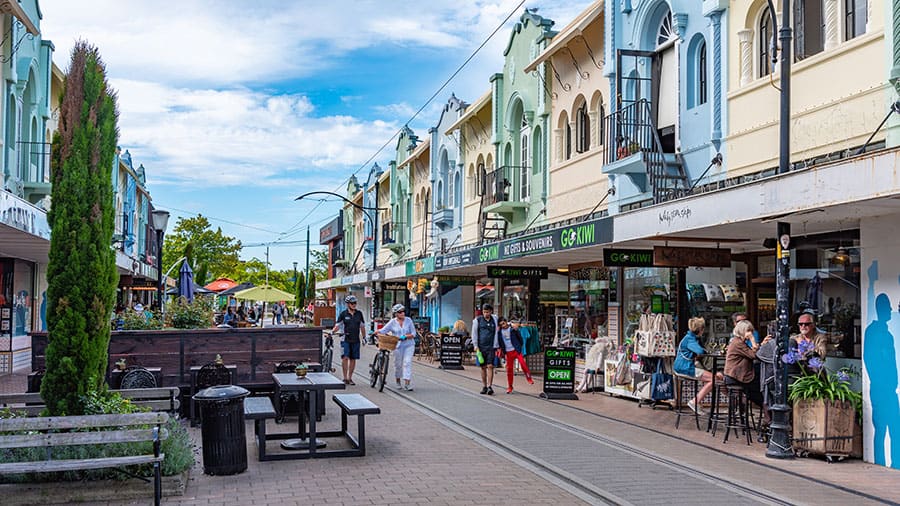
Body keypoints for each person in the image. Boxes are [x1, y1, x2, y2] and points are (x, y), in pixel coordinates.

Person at [674, 317, 723, 414]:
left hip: (683, 366)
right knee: (714, 379)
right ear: (700, 329)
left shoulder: (689, 337)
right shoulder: (690, 339)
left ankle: (734, 404)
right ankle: (695, 401)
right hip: (685, 368)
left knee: (718, 377)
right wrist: (707, 350)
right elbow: (700, 351)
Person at [724, 320, 770, 417]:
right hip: (736, 377)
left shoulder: (739, 342)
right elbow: (754, 355)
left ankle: (767, 417)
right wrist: (753, 340)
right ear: (742, 331)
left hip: (737, 376)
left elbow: (750, 353)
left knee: (761, 388)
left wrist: (761, 345)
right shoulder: (737, 343)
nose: (750, 333)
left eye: (751, 331)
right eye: (748, 331)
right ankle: (769, 418)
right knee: (762, 392)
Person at [379, 303, 416, 391]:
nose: (402, 313)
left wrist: (406, 336)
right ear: (396, 314)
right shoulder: (392, 322)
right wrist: (376, 332)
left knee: (407, 362)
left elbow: (414, 333)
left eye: (403, 311)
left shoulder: (409, 320)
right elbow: (383, 330)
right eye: (400, 312)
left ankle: (407, 383)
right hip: (397, 345)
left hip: (409, 344)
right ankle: (398, 381)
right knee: (398, 364)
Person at [334, 295, 366, 385]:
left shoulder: (359, 314)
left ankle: (350, 378)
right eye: (352, 303)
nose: (354, 305)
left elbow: (362, 326)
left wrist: (364, 337)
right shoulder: (343, 314)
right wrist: (332, 331)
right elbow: (338, 325)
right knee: (345, 357)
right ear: (348, 304)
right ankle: (344, 378)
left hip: (355, 339)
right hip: (345, 339)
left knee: (353, 358)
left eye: (355, 303)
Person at [497, 317, 533, 394]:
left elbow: (520, 339)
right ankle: (510, 386)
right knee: (509, 370)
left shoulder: (513, 329)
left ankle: (529, 378)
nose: (503, 326)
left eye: (503, 323)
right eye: (501, 325)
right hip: (508, 352)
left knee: (523, 364)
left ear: (506, 322)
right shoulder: (499, 332)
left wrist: (519, 347)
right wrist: (502, 351)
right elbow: (500, 342)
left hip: (516, 350)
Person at [472, 303, 500, 395]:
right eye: (484, 312)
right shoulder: (477, 320)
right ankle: (484, 386)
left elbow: (504, 323)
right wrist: (475, 345)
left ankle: (490, 386)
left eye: (487, 312)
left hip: (491, 347)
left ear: (491, 312)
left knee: (490, 366)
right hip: (481, 347)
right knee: (483, 367)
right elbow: (474, 333)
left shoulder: (495, 319)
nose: (485, 314)